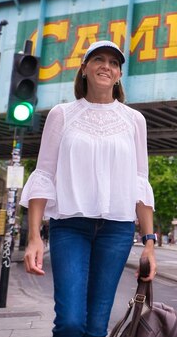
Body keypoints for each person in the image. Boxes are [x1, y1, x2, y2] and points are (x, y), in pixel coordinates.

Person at [20, 40, 157, 337]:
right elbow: (43, 174)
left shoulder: (135, 121)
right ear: (84, 68)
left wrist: (149, 242)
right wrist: (34, 238)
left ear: (119, 74)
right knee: (69, 321)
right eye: (98, 60)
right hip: (69, 227)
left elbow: (139, 182)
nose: (106, 66)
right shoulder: (62, 114)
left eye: (114, 63)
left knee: (97, 326)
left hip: (117, 231)